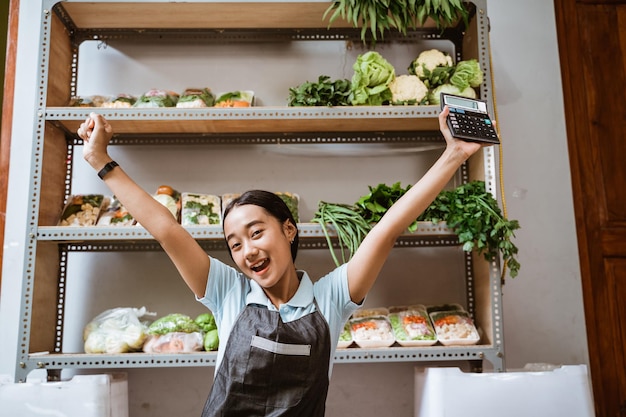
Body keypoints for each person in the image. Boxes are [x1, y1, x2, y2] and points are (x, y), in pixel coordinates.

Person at [77, 107, 482, 416]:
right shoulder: (226, 292)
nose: (247, 250)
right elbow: (166, 228)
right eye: (234, 244)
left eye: (256, 233)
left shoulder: (331, 299)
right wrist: (101, 162)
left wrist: (454, 156)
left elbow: (386, 229)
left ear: (289, 230)